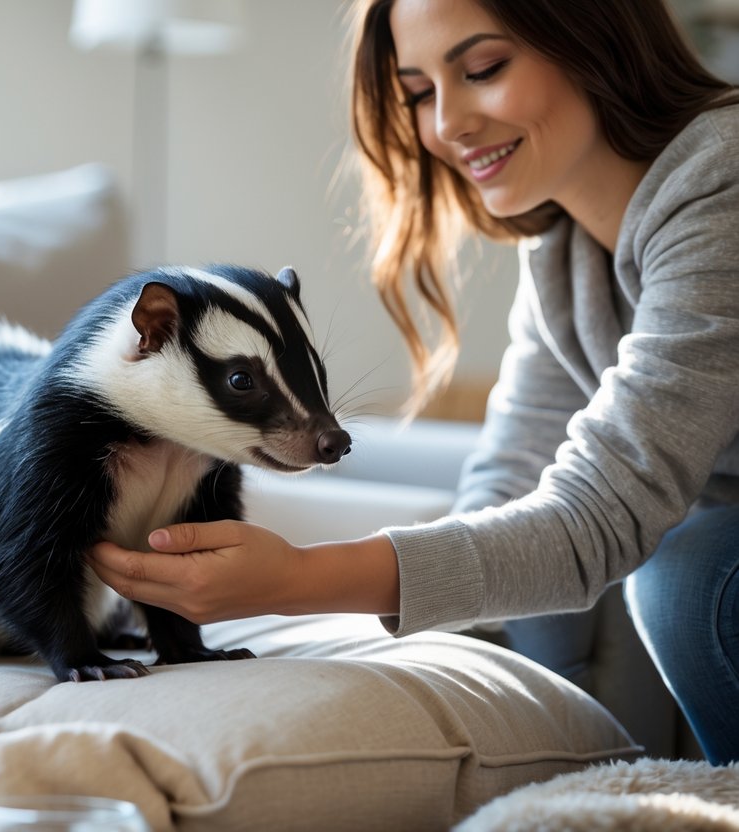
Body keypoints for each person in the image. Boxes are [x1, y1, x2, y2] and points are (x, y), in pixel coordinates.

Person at [89, 0, 739, 764]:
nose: (445, 126)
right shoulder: (560, 248)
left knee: (687, 576)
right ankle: (562, 771)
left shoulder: (719, 180)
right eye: (420, 93)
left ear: (593, 36)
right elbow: (511, 481)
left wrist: (295, 581)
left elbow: (595, 522)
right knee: (516, 590)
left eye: (483, 69)